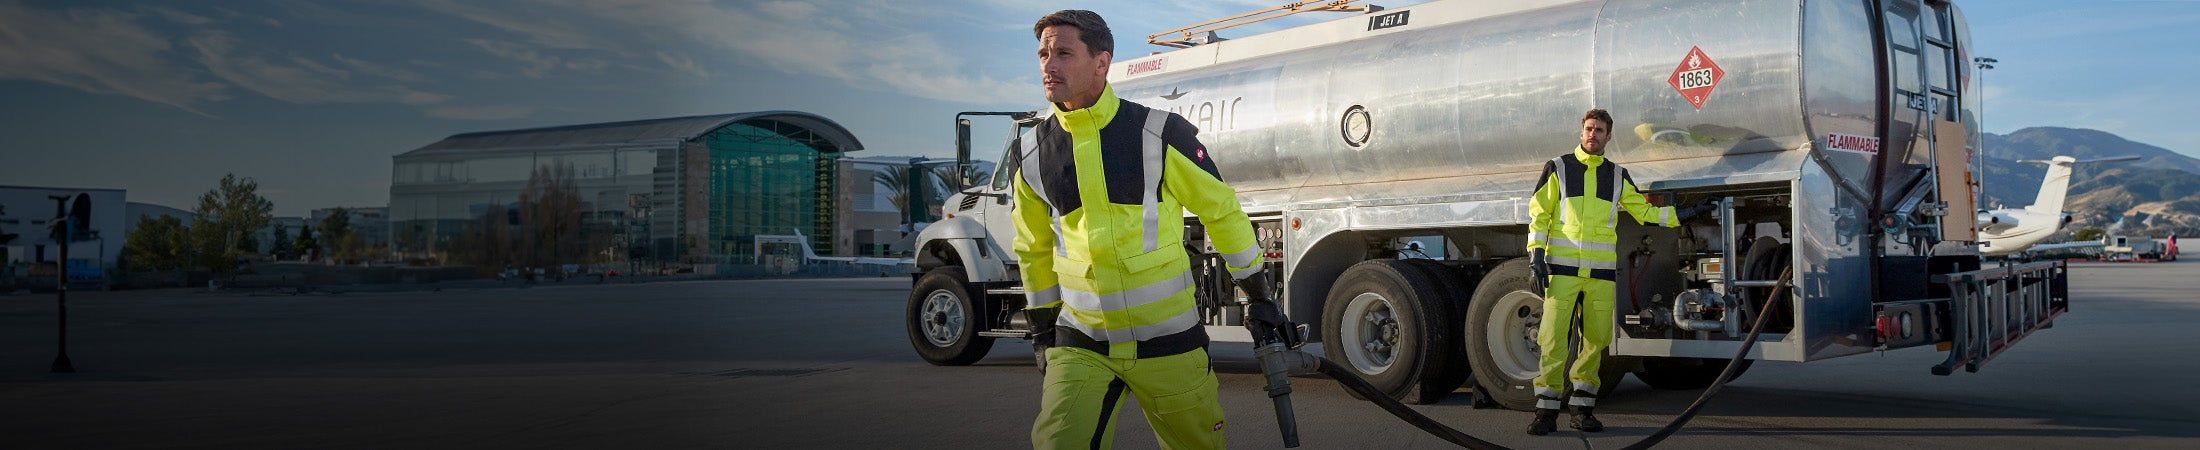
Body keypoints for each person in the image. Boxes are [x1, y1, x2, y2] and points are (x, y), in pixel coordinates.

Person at [1015, 10, 1288, 449]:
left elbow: (1221, 211)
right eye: (1044, 53)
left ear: (1102, 62)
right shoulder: (1030, 153)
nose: (1049, 65)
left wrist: (1258, 294)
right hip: (1082, 343)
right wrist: (1043, 329)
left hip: (1169, 342)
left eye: (1063, 52)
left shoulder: (1159, 135)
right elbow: (1033, 246)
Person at [1524, 109, 1703, 435]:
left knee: (1595, 342)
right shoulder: (1559, 168)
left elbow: (1643, 211)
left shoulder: (1618, 176)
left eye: (1600, 130)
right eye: (1589, 128)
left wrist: (1683, 214)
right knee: (1552, 340)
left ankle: (1582, 410)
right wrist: (1536, 258)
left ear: (1608, 137)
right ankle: (1545, 413)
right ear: (1581, 132)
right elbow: (1539, 215)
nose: (1593, 134)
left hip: (1601, 274)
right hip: (1562, 271)